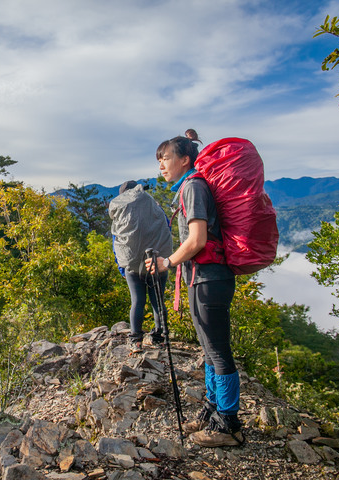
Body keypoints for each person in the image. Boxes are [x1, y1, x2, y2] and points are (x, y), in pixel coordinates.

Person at [145, 135, 243, 447]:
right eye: (158, 159)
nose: (161, 164)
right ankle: (213, 410)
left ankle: (229, 423)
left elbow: (197, 239)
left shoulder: (193, 186)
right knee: (209, 348)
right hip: (203, 278)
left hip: (209, 279)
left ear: (185, 160)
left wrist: (167, 262)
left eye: (166, 157)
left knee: (217, 350)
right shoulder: (192, 186)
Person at [109, 180, 173, 354]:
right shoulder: (155, 207)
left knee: (137, 301)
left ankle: (136, 340)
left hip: (133, 266)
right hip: (156, 261)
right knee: (157, 301)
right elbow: (167, 227)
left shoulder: (122, 213)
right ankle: (160, 338)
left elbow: (117, 243)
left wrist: (122, 268)